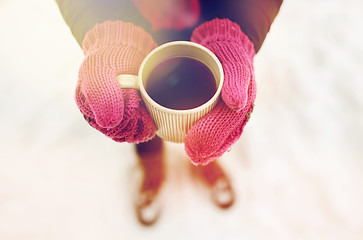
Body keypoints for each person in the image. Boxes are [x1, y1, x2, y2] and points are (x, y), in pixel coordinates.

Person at [55, 0, 283, 225]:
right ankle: (153, 169)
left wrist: (237, 29)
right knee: (137, 113)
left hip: (210, 18)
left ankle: (205, 161)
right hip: (134, 24)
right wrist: (107, 29)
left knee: (216, 116)